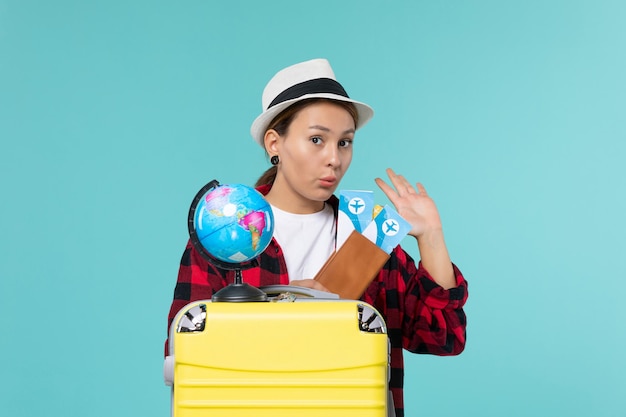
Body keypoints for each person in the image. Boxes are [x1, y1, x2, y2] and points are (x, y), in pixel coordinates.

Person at [166, 58, 468, 417]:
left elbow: (444, 338)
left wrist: (431, 236)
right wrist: (286, 304)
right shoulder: (224, 234)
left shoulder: (367, 236)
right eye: (316, 139)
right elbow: (184, 358)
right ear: (275, 143)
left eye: (345, 143)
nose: (333, 159)